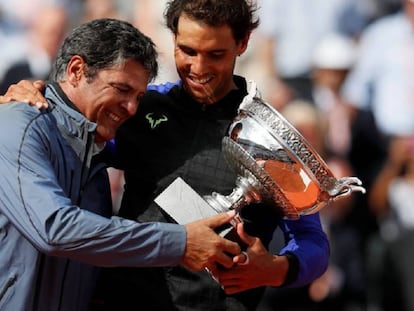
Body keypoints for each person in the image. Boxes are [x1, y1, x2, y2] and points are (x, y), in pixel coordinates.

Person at [2, 1, 330, 310]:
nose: (198, 68)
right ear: (173, 37)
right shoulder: (139, 109)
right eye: (187, 51)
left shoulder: (268, 136)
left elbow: (312, 241)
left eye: (215, 54)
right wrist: (34, 95)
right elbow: (71, 129)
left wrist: (276, 269)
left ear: (243, 43)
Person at [0, 18, 243, 311]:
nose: (131, 108)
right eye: (121, 89)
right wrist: (180, 243)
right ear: (76, 71)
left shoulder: (97, 149)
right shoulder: (19, 124)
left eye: (139, 96)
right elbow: (56, 230)